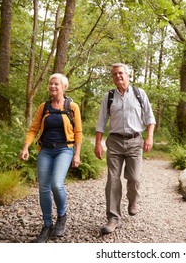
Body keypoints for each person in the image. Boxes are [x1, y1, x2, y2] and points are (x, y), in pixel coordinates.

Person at [19, 73, 82, 243]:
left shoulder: (72, 106)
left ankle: (62, 215)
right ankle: (47, 224)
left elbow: (78, 132)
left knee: (56, 184)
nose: (53, 87)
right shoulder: (44, 106)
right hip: (45, 150)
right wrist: (26, 147)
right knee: (44, 188)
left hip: (64, 150)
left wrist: (77, 154)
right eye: (50, 84)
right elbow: (33, 129)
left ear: (64, 87)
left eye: (56, 84)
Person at [94, 63, 156, 234]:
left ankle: (132, 200)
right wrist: (98, 143)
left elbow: (150, 118)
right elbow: (101, 122)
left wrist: (149, 136)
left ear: (128, 75)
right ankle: (113, 218)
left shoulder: (139, 93)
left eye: (121, 73)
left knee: (134, 178)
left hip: (135, 142)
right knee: (113, 179)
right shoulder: (109, 96)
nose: (118, 76)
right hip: (114, 142)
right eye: (114, 74)